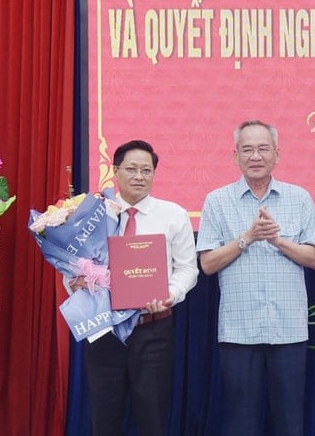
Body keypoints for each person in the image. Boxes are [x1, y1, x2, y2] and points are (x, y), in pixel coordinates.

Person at [196, 120, 315, 436]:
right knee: (241, 424)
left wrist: (278, 241)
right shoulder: (217, 201)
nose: (256, 156)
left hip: (288, 331)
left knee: (290, 423)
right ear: (235, 156)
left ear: (277, 154)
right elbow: (208, 264)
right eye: (248, 149)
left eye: (263, 148)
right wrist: (247, 238)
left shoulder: (300, 198)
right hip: (239, 332)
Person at [77, 139, 198, 436]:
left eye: (146, 170)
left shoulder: (173, 215)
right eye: (131, 169)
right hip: (105, 329)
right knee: (104, 418)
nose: (139, 176)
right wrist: (78, 284)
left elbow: (187, 269)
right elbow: (73, 267)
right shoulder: (93, 214)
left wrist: (170, 294)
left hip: (153, 329)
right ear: (115, 171)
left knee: (152, 418)